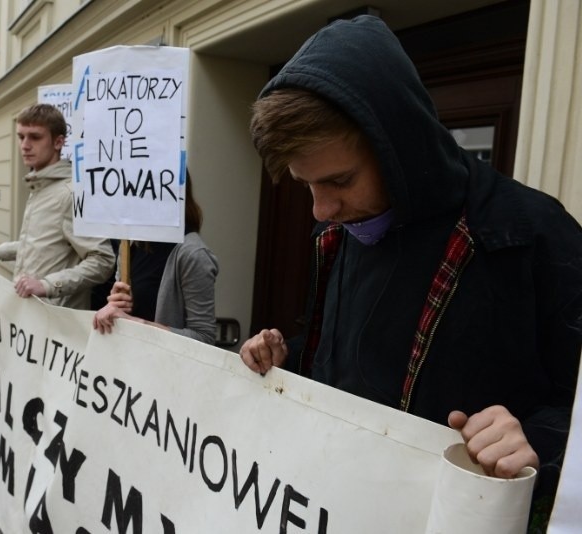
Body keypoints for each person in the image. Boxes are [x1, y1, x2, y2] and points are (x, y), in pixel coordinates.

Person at [239, 15, 581, 521]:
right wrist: (280, 363)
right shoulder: (335, 237)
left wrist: (536, 440)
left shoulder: (531, 232)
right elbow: (345, 361)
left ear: (397, 146)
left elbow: (570, 405)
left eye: (339, 181)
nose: (320, 209)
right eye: (305, 185)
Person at [0, 103, 115, 309]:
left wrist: (48, 285)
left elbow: (102, 260)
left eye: (35, 137)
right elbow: (42, 244)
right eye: (21, 137)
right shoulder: (40, 187)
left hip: (58, 323)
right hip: (32, 318)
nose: (25, 145)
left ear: (58, 142)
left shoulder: (70, 193)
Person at [93, 173, 219, 344]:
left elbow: (204, 338)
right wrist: (115, 305)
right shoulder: (130, 245)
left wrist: (139, 324)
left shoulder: (193, 254)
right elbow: (123, 312)